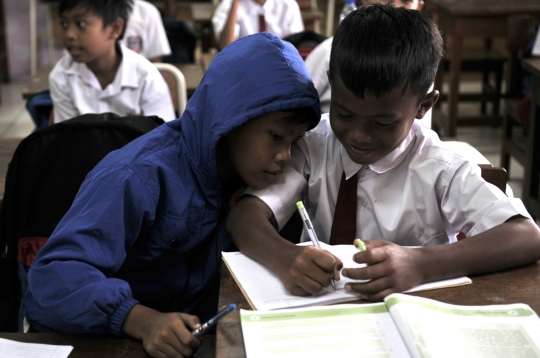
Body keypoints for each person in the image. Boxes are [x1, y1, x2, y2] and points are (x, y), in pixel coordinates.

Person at [25, 32, 320, 358]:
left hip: (182, 338)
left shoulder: (242, 177)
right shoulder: (140, 176)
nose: (285, 156)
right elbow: (53, 274)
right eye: (276, 136)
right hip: (100, 337)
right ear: (232, 119)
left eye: (294, 142)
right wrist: (141, 320)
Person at [227, 5, 540, 302]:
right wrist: (286, 257)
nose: (360, 135)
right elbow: (244, 217)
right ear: (331, 86)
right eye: (345, 114)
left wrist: (420, 264)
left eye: (383, 122)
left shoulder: (440, 169)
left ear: (423, 106)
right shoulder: (313, 146)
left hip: (416, 315)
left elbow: (526, 236)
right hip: (325, 313)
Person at [49, 0, 175, 123]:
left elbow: (163, 135)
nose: (69, 34)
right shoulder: (61, 76)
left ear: (115, 28)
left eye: (81, 24)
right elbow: (67, 137)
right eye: (64, 24)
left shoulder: (146, 76)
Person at [305, 0, 425, 116]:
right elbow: (300, 103)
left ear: (419, 7)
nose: (395, 5)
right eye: (346, 115)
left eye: (406, 0)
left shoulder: (422, 60)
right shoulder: (329, 51)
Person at [212, 0, 304, 50]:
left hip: (279, 67)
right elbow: (226, 47)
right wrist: (235, 3)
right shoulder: (229, 5)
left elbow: (297, 46)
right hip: (242, 67)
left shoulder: (288, 5)